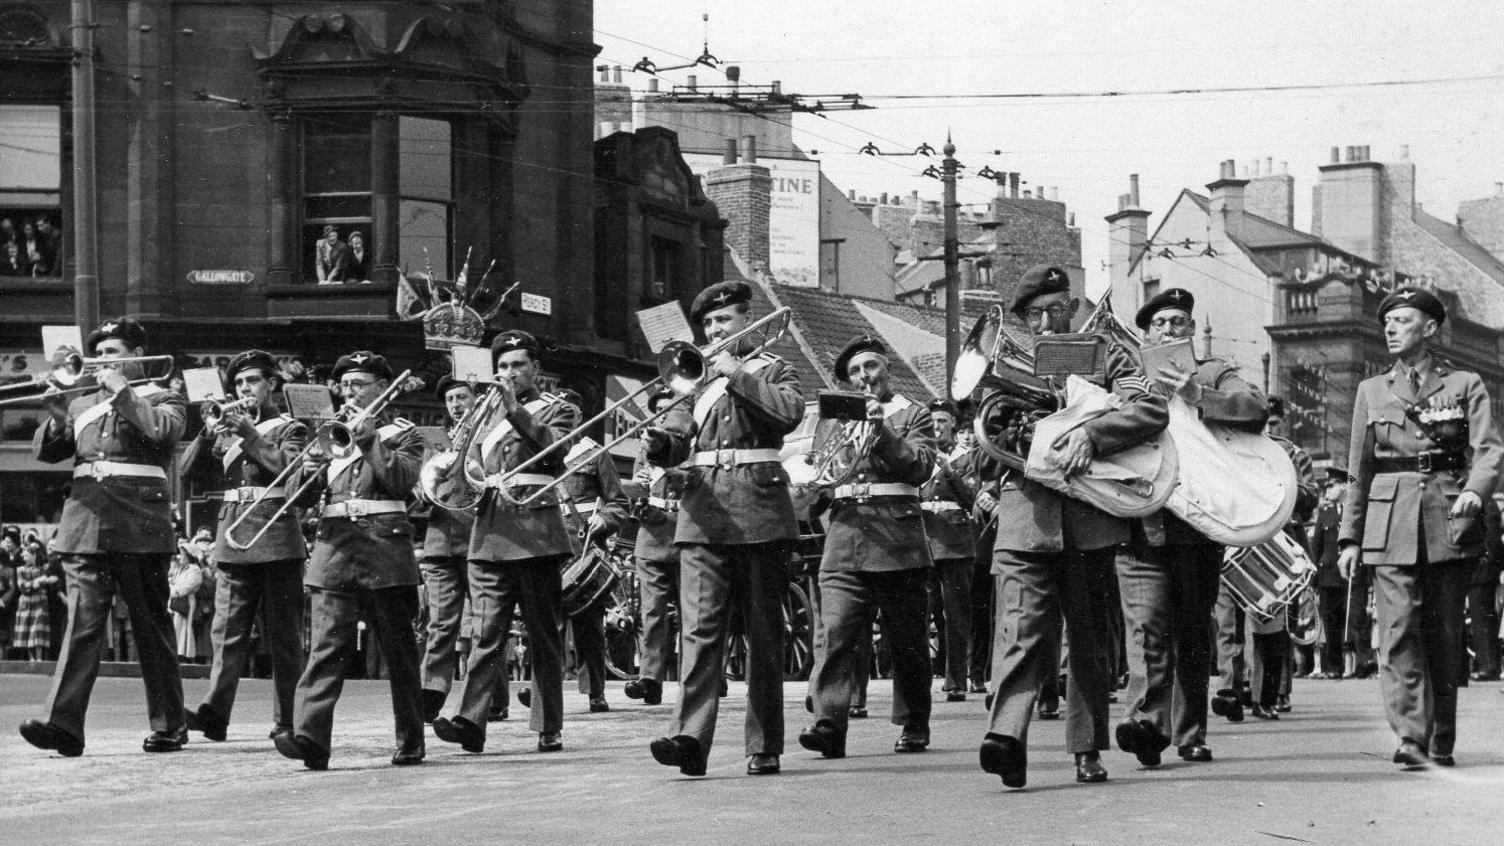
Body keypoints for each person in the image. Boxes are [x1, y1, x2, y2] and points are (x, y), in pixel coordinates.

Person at [976, 265, 1168, 789]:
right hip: (1027, 515)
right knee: (1019, 631)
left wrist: (1095, 433)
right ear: (1021, 319)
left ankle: (1087, 748)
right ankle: (1007, 738)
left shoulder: (1108, 353)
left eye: (1056, 310)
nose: (1046, 322)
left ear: (1073, 306)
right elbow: (987, 439)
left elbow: (1150, 407)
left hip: (1088, 518)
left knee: (1084, 639)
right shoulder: (1006, 362)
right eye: (1035, 314)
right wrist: (1031, 431)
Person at [643, 280, 804, 777]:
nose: (713, 331)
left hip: (759, 510)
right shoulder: (692, 382)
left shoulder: (773, 368)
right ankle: (690, 737)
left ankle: (763, 744)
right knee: (700, 630)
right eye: (708, 324)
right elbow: (675, 437)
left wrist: (736, 373)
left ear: (746, 321)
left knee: (762, 633)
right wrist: (659, 444)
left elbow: (789, 413)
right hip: (702, 513)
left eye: (723, 321)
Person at [1338, 287, 1503, 769]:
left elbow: (1489, 447)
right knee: (1397, 631)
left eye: (1402, 320)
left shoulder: (1464, 383)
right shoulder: (1371, 391)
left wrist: (1477, 489)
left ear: (1429, 328)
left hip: (1449, 517)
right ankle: (1410, 736)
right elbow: (1357, 469)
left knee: (1445, 634)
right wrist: (1350, 536)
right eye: (1387, 321)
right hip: (1389, 523)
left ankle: (1440, 738)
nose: (1390, 328)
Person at [19, 317, 188, 757]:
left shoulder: (164, 395)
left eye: (112, 353)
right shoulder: (82, 404)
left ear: (136, 356)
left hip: (140, 525)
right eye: (99, 353)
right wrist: (57, 417)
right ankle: (64, 725)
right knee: (82, 625)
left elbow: (165, 431)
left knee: (151, 627)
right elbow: (49, 452)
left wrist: (121, 391)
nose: (99, 361)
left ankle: (170, 725)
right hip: (85, 525)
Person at [1113, 288, 1266, 767]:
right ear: (1145, 333)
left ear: (1192, 330)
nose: (1169, 331)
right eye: (1159, 324)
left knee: (1192, 632)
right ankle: (1147, 723)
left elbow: (1255, 407)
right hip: (1141, 520)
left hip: (1196, 524)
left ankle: (1191, 732)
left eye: (1178, 322)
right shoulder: (1127, 376)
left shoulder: (1214, 371)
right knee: (1148, 628)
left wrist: (1196, 393)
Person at [274, 351, 426, 770]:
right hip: (335, 548)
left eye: (360, 384)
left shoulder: (403, 434)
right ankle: (310, 737)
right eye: (345, 384)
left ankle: (410, 739)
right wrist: (306, 469)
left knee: (398, 651)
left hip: (385, 550)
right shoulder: (326, 435)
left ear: (383, 388)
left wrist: (369, 438)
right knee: (325, 648)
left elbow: (400, 480)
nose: (350, 392)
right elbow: (295, 503)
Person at [431, 331, 578, 755]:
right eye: (503, 367)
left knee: (542, 634)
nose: (509, 374)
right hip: (490, 531)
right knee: (485, 633)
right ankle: (470, 721)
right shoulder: (481, 414)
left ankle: (549, 724)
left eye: (518, 365)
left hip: (536, 534)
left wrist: (515, 411)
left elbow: (556, 451)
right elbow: (471, 461)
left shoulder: (559, 408)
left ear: (536, 369)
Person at [800, 335, 937, 760]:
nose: (864, 377)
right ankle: (829, 723)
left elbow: (919, 467)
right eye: (856, 371)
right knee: (835, 634)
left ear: (887, 369)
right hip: (844, 538)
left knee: (907, 640)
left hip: (898, 539)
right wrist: (807, 491)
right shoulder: (832, 420)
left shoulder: (913, 413)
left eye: (871, 367)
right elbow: (825, 474)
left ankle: (914, 722)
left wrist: (882, 430)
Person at [179, 350, 309, 743]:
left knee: (283, 637)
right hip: (233, 538)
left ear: (271, 384)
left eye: (251, 381)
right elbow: (186, 473)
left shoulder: (291, 428)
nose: (243, 389)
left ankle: (288, 719)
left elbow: (292, 475)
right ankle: (215, 713)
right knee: (226, 632)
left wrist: (251, 433)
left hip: (275, 538)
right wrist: (206, 432)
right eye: (237, 383)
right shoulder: (226, 435)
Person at [418, 376, 508, 723]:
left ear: (476, 399)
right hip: (440, 540)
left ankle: (494, 698)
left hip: (478, 539)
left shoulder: (489, 436)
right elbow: (423, 488)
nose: (456, 404)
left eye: (461, 397)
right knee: (441, 623)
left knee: (486, 624)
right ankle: (432, 693)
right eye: (450, 399)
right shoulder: (435, 442)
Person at [624, 388, 686, 706]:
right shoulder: (643, 448)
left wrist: (671, 470)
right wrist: (639, 503)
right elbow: (638, 485)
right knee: (653, 613)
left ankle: (705, 679)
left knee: (693, 615)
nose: (663, 415)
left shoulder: (687, 442)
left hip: (685, 535)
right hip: (650, 538)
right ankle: (650, 679)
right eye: (658, 410)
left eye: (669, 409)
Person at [921, 399, 978, 703]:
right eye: (933, 420)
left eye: (943, 421)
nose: (937, 426)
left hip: (955, 543)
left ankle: (957, 680)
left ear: (953, 424)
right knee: (922, 612)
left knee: (956, 615)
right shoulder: (919, 455)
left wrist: (949, 471)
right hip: (923, 542)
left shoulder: (966, 458)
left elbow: (973, 498)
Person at [1311, 466, 1355, 679]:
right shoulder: (1324, 514)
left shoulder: (1351, 513)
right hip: (1328, 574)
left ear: (1345, 486)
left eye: (1332, 485)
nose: (1328, 490)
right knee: (1330, 623)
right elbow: (1316, 547)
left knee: (1351, 619)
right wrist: (1314, 579)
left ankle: (1354, 665)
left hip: (1347, 575)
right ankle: (1333, 667)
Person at [13, 543, 57, 661]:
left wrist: (42, 581)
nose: (24, 557)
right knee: (27, 628)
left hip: (40, 601)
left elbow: (47, 580)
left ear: (34, 555)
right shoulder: (20, 570)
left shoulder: (42, 569)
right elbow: (22, 586)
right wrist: (36, 582)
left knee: (37, 628)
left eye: (27, 555)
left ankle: (39, 658)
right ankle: (31, 657)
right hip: (26, 602)